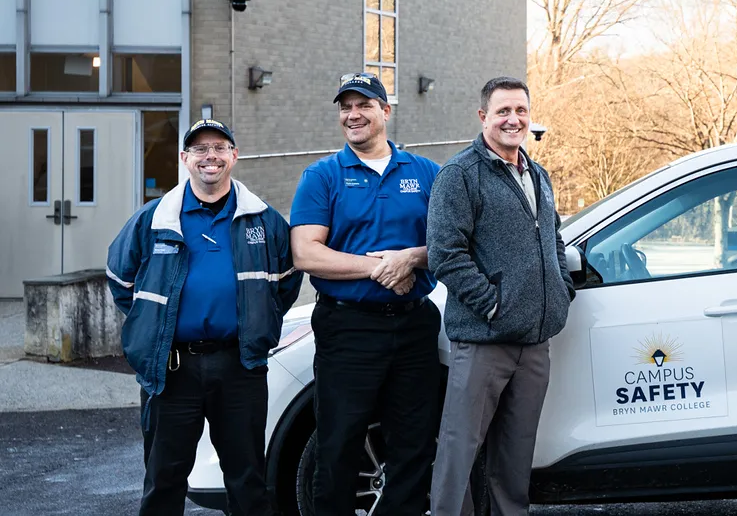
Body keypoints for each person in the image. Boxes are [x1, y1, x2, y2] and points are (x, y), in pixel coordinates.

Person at [106, 119, 301, 516]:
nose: (209, 156)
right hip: (172, 368)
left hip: (240, 367)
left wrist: (256, 323)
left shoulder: (264, 221)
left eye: (218, 147)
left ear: (234, 155)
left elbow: (286, 282)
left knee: (247, 481)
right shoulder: (152, 219)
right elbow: (119, 279)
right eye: (199, 149)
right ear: (184, 158)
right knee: (164, 481)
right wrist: (154, 325)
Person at [291, 72, 442, 516]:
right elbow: (305, 253)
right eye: (345, 107)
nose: (353, 115)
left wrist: (411, 258)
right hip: (348, 327)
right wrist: (380, 267)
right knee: (338, 443)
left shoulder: (426, 173)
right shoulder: (322, 176)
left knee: (413, 445)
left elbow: (454, 244)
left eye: (364, 105)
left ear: (385, 111)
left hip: (414, 325)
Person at [428, 77, 576, 515]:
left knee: (515, 457)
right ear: (483, 117)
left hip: (534, 343)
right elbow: (445, 255)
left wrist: (561, 292)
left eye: (521, 111)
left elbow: (553, 238)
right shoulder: (460, 175)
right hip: (483, 341)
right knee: (459, 451)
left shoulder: (538, 174)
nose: (514, 120)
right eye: (503, 111)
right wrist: (494, 304)